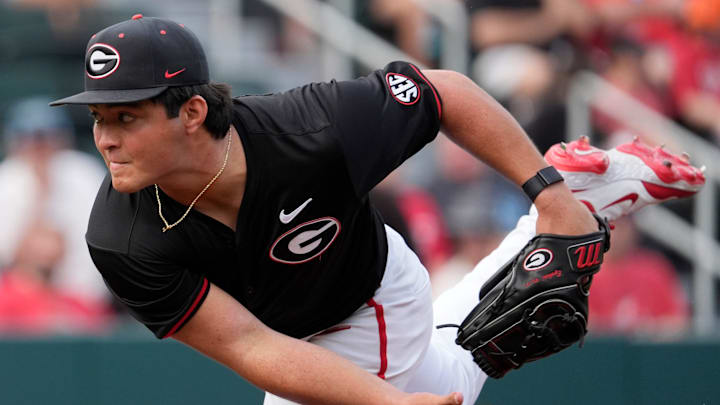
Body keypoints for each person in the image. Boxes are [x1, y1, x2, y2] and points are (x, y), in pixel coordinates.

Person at [50, 15, 704, 405]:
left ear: (192, 112)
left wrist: (546, 193)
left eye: (127, 116)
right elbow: (248, 342)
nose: (105, 137)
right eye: (99, 117)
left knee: (438, 374)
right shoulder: (120, 234)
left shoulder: (311, 129)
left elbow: (443, 93)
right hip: (291, 333)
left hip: (368, 298)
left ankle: (570, 199)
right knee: (452, 371)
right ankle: (582, 199)